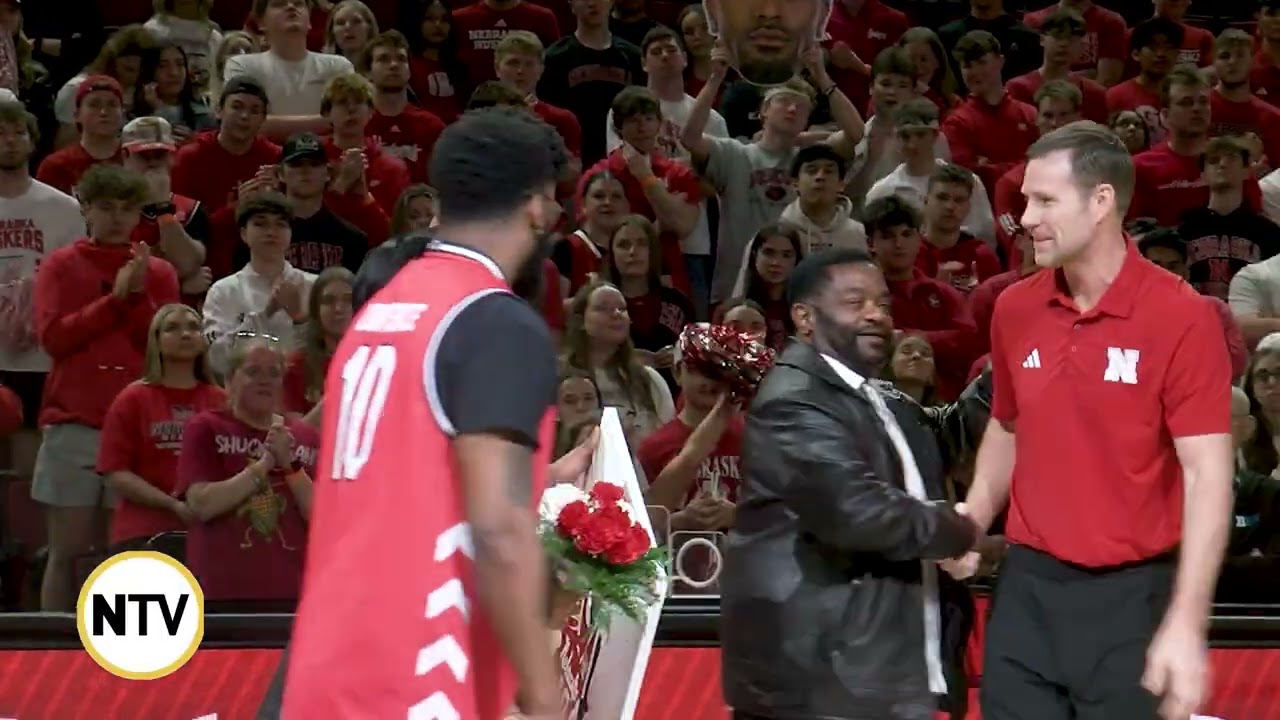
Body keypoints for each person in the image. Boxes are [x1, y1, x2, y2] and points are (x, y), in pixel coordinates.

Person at [282, 107, 582, 719]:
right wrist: (544, 695)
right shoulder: (492, 319)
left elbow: (408, 478)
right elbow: (497, 528)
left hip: (326, 669)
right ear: (538, 206)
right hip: (421, 679)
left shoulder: (380, 312)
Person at [958, 121, 1233, 720]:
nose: (1026, 217)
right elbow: (1008, 424)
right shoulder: (1014, 307)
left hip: (1133, 600)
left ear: (1102, 201)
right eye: (1026, 199)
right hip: (1025, 591)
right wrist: (973, 520)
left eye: (1045, 200)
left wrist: (1187, 624)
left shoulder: (1181, 316)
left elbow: (1209, 476)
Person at [722, 247, 991, 720]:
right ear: (805, 317)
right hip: (822, 682)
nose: (876, 315)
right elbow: (857, 511)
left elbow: (942, 436)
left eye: (884, 304)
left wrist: (1007, 372)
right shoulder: (793, 401)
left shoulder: (874, 395)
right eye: (855, 302)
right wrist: (960, 531)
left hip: (867, 671)